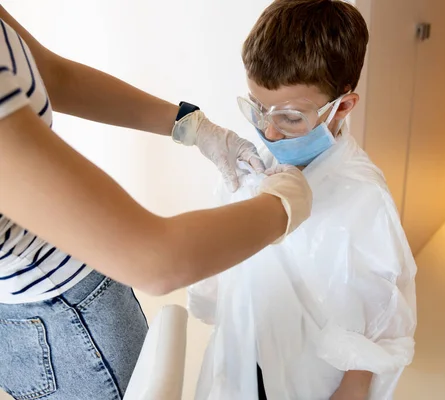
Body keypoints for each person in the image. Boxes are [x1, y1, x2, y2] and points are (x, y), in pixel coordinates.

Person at [0, 5, 313, 400]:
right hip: (61, 316)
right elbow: (155, 261)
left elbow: (51, 73)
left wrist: (189, 124)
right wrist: (280, 208)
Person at [187, 1, 418, 399]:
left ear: (342, 107)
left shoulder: (362, 198)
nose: (269, 133)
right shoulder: (252, 165)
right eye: (258, 110)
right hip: (246, 359)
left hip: (312, 381)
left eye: (290, 118)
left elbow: (380, 327)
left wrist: (351, 390)